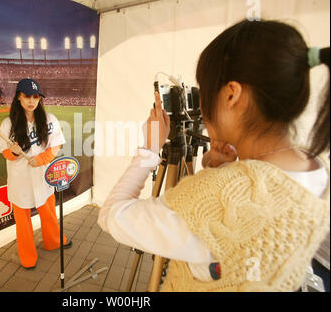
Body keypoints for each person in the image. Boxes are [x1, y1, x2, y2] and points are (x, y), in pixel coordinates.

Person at [98, 19, 330, 291]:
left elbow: (112, 215)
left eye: (206, 93)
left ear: (231, 94)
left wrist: (149, 150)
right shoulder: (315, 168)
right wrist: (227, 170)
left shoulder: (211, 200)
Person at [0, 78, 72, 269]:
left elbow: (56, 145)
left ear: (40, 99)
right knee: (23, 223)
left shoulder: (49, 120)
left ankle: (54, 241)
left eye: (35, 96)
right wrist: (13, 152)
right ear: (19, 98)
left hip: (42, 176)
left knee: (48, 212)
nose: (31, 100)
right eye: (27, 96)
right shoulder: (8, 124)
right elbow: (3, 152)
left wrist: (41, 159)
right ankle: (28, 257)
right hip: (19, 179)